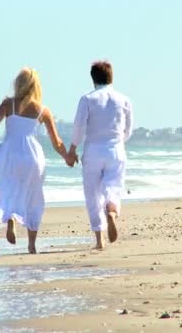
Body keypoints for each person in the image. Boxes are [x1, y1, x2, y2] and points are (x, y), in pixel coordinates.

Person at [0, 67, 68, 254]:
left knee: (10, 189)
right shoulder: (43, 110)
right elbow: (56, 142)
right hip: (33, 155)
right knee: (34, 197)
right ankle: (32, 245)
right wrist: (68, 157)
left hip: (10, 153)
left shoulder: (8, 104)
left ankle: (11, 218)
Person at [66, 61, 133, 250]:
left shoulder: (87, 99)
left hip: (93, 150)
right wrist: (118, 140)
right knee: (114, 186)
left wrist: (72, 150)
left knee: (93, 194)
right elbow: (128, 130)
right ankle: (111, 211)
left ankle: (99, 239)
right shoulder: (124, 100)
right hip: (116, 150)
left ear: (93, 78)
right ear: (111, 77)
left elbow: (79, 127)